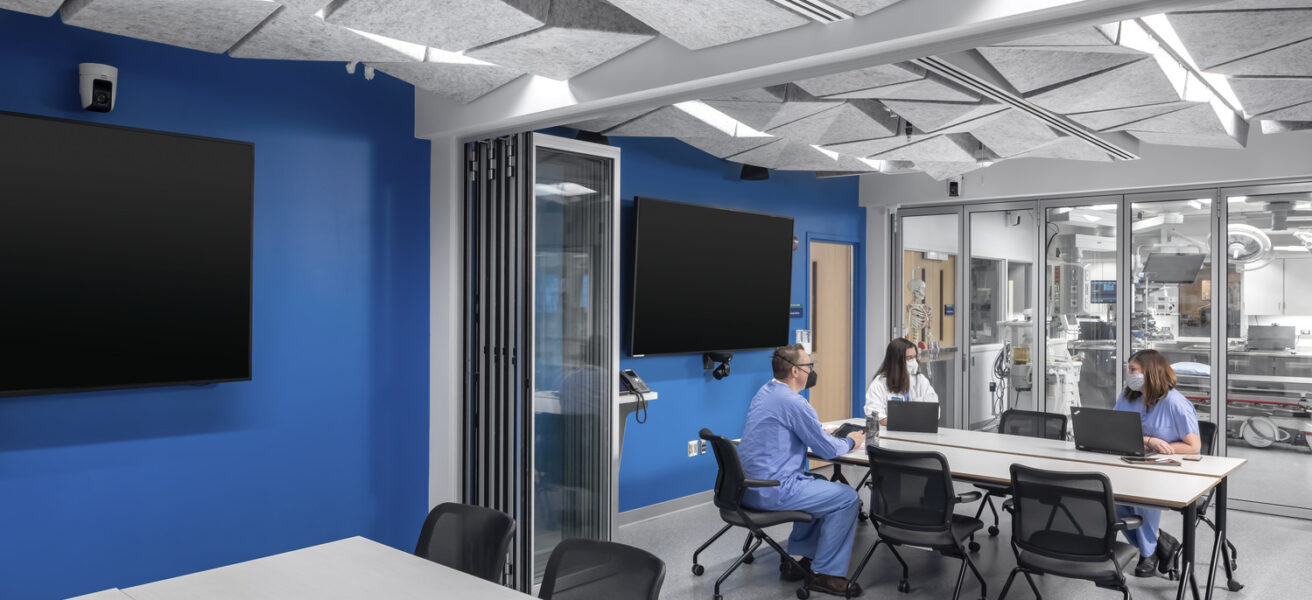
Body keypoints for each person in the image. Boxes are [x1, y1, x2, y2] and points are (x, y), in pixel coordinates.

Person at [738, 344, 866, 597]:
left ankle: (798, 560)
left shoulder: (765, 392)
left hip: (746, 488)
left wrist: (817, 433)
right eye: (809, 366)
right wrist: (852, 441)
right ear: (796, 371)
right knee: (847, 498)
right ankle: (826, 574)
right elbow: (829, 451)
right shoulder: (795, 403)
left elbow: (787, 430)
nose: (811, 371)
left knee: (818, 480)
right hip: (773, 490)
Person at [1113, 349, 1202, 577]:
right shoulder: (1127, 398)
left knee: (1141, 496)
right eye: (1129, 370)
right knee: (1112, 503)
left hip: (1168, 469)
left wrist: (1153, 446)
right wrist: (1148, 440)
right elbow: (1115, 428)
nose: (1129, 374)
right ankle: (1162, 541)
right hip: (1131, 464)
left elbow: (1193, 446)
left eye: (1133, 370)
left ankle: (1147, 552)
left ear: (1150, 372)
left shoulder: (1175, 403)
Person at [864, 338, 938, 425]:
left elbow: (934, 411)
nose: (914, 362)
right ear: (896, 361)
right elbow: (877, 415)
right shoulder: (879, 384)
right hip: (890, 435)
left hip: (919, 433)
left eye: (915, 357)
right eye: (909, 358)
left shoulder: (921, 380)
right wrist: (907, 423)